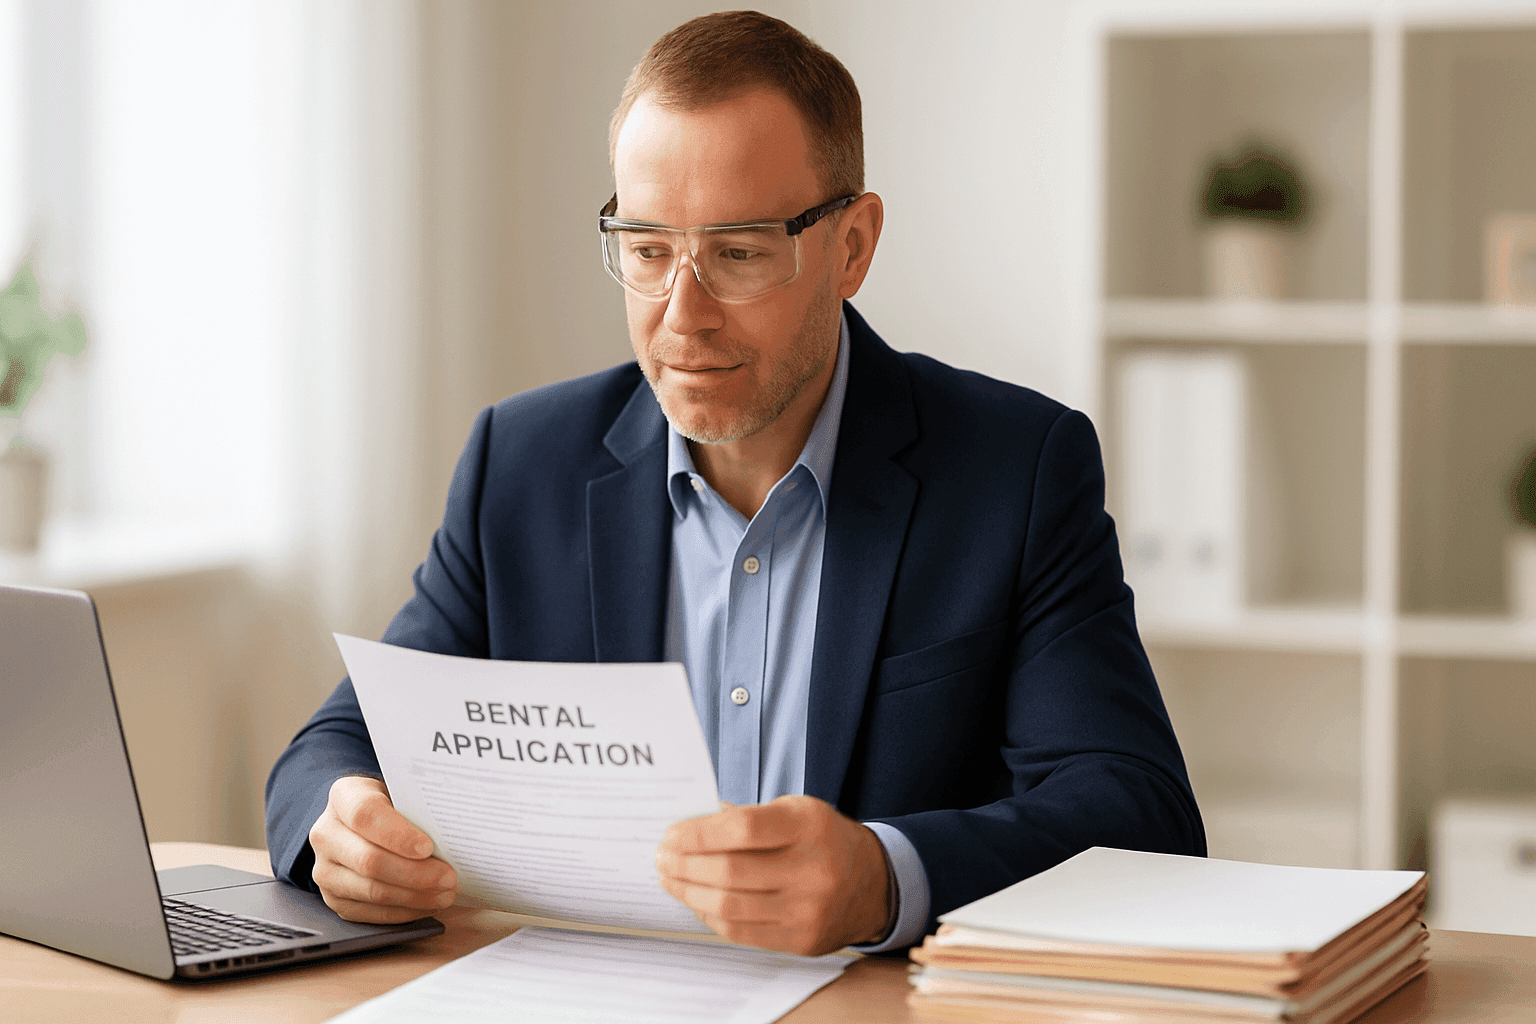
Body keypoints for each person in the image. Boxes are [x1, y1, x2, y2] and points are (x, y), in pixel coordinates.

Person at [264, 10, 1204, 958]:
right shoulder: (522, 462)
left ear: (851, 246)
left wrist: (884, 878)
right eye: (647, 250)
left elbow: (1138, 811)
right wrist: (341, 822)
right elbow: (334, 745)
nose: (683, 315)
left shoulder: (1015, 469)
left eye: (739, 253)